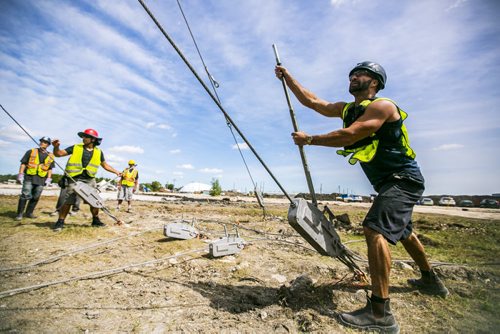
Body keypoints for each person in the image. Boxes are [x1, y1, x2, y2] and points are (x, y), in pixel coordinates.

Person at [275, 61, 449, 333]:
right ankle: (431, 280)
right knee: (404, 232)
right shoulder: (347, 109)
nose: (353, 77)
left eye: (361, 74)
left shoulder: (382, 106)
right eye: (352, 74)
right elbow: (312, 101)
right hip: (389, 183)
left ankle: (381, 313)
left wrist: (310, 140)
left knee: (374, 229)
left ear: (375, 82)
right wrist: (288, 78)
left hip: (403, 179)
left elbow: (352, 134)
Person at [52, 128, 121, 230]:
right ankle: (60, 221)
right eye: (83, 136)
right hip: (74, 178)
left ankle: (95, 221)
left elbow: (105, 165)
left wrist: (116, 171)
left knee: (95, 200)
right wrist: (56, 147)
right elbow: (58, 154)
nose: (83, 138)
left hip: (89, 180)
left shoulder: (99, 152)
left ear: (93, 139)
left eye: (86, 137)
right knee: (68, 201)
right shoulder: (76, 147)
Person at [15, 136, 55, 220]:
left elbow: (50, 168)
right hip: (29, 176)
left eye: (44, 142)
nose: (42, 143)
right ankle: (19, 214)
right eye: (41, 141)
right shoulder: (31, 151)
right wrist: (20, 174)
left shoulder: (50, 155)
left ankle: (29, 213)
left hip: (41, 179)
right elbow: (23, 163)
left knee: (36, 197)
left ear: (48, 145)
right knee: (25, 194)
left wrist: (49, 179)